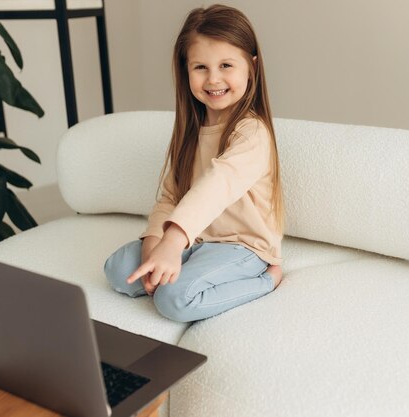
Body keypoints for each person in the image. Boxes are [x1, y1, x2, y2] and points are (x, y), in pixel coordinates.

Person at [104, 4, 284, 323]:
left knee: (174, 299)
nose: (213, 78)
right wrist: (155, 245)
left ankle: (267, 281)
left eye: (226, 65)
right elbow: (170, 197)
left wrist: (173, 243)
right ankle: (173, 260)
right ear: (185, 70)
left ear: (251, 68)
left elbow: (217, 187)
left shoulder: (252, 133)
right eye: (200, 67)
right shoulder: (191, 132)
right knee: (118, 270)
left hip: (243, 247)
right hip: (196, 239)